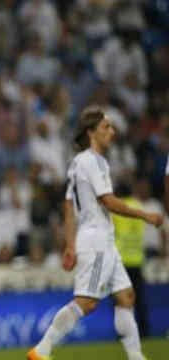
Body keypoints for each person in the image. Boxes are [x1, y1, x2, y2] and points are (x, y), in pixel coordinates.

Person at [27, 107, 163, 360]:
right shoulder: (92, 161)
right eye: (106, 128)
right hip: (97, 240)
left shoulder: (78, 162)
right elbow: (108, 202)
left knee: (126, 296)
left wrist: (70, 244)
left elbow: (69, 206)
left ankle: (136, 357)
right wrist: (146, 216)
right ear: (91, 132)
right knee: (87, 302)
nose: (112, 132)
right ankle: (42, 350)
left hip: (100, 240)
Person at [112, 183, 148, 337]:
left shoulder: (116, 209)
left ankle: (123, 333)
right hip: (137, 258)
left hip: (121, 260)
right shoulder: (139, 206)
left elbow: (112, 233)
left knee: (121, 301)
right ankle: (144, 332)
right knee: (139, 299)